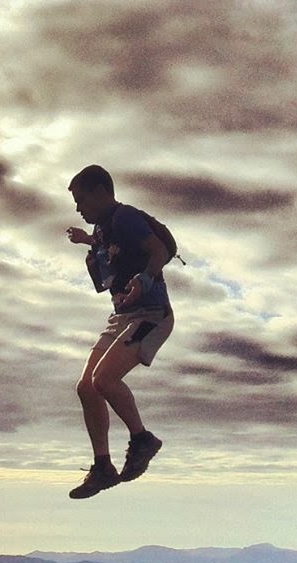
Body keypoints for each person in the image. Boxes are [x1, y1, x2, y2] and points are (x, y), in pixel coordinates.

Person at [65, 165, 174, 500]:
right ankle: (103, 468)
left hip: (151, 314)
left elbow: (158, 251)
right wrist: (87, 242)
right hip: (122, 317)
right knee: (87, 387)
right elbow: (106, 256)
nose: (78, 208)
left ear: (100, 191)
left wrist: (143, 281)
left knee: (104, 381)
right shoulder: (104, 229)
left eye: (81, 199)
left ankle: (143, 440)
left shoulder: (124, 216)